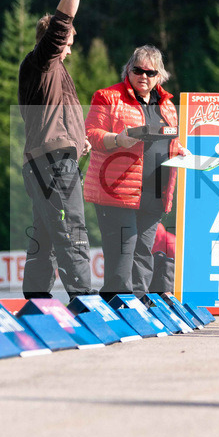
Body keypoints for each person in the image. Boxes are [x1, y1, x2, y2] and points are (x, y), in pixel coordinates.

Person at [18, 0, 97, 299]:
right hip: (52, 166)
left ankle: (36, 304)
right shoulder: (42, 62)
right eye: (69, 41)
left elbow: (55, 118)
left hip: (45, 162)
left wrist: (79, 141)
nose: (71, 47)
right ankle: (85, 305)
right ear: (55, 40)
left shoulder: (54, 72)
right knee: (72, 231)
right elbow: (64, 17)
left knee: (45, 236)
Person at [83, 46, 188, 301]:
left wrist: (180, 151)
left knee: (144, 251)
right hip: (116, 191)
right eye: (138, 70)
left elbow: (168, 141)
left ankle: (137, 304)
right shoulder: (107, 97)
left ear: (159, 75)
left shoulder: (167, 105)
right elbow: (91, 135)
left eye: (150, 72)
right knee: (122, 250)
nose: (143, 76)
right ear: (128, 70)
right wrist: (118, 139)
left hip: (155, 190)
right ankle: (116, 303)